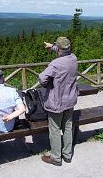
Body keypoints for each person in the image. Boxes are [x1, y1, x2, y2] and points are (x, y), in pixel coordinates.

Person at [38, 36, 78, 166]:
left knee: (54, 129)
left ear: (59, 49)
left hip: (57, 102)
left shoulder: (56, 64)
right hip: (70, 100)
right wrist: (52, 47)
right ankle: (67, 155)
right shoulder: (73, 58)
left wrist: (47, 85)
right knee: (67, 127)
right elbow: (63, 51)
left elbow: (42, 78)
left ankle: (55, 157)